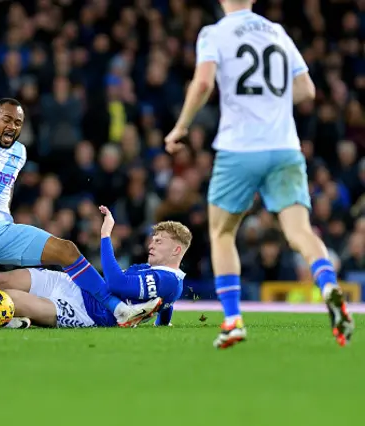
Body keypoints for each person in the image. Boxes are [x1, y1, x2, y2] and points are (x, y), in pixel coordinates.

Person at [164, 0, 354, 348]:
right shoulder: (277, 33)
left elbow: (203, 83)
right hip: (285, 147)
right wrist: (273, 103)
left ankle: (233, 320)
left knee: (223, 232)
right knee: (299, 231)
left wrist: (180, 127)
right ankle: (329, 286)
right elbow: (307, 90)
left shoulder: (215, 33)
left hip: (239, 147)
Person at [0, 98, 161, 327]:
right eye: (6, 119)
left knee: (66, 249)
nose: (12, 126)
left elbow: (3, 193)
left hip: (2, 231)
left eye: (18, 122)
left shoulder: (19, 153)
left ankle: (119, 309)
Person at [0, 208, 189, 329]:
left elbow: (116, 282)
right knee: (2, 280)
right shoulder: (164, 281)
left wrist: (105, 236)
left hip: (88, 312)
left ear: (177, 250)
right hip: (78, 285)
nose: (152, 244)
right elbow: (164, 303)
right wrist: (165, 324)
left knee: (8, 298)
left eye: (160, 241)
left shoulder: (167, 280)